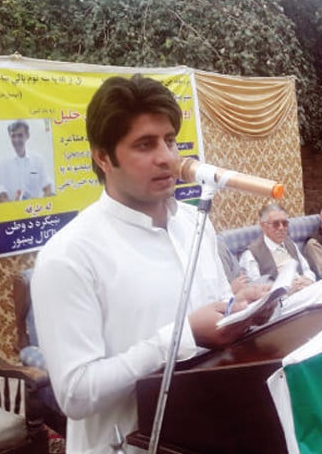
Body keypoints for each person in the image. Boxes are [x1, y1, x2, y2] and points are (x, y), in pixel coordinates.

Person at [30, 75, 268, 454]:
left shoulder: (195, 222)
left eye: (169, 140)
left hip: (214, 431)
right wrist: (181, 336)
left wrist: (243, 305)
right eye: (144, 144)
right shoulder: (69, 255)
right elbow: (76, 394)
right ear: (103, 157)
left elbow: (215, 313)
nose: (166, 157)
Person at [239, 204, 316, 292]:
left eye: (285, 223)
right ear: (263, 226)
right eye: (275, 224)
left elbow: (307, 270)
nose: (281, 228)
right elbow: (255, 289)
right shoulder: (251, 254)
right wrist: (286, 289)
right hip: (281, 300)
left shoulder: (291, 245)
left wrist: (308, 280)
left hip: (304, 291)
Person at [0, 120, 54, 202]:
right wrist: (16, 209)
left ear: (27, 136)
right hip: (13, 210)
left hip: (35, 209)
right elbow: (0, 193)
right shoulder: (1, 163)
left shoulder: (38, 160)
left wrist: (42, 203)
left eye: (20, 136)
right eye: (13, 136)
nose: (16, 140)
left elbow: (47, 187)